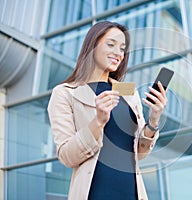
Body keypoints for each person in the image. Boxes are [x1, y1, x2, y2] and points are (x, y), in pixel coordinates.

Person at [47, 21, 168, 200]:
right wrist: (98, 122)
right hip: (95, 193)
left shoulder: (128, 91)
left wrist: (154, 120)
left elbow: (140, 154)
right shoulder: (65, 93)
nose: (118, 53)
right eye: (111, 44)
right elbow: (67, 156)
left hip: (132, 193)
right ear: (92, 46)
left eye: (122, 48)